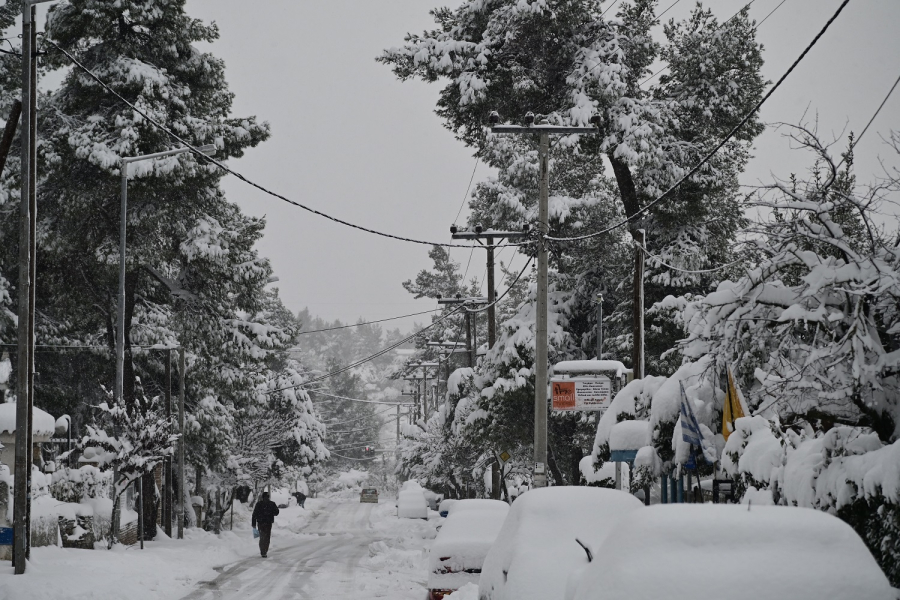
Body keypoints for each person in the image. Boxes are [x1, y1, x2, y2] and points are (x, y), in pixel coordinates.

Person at [251, 491, 280, 558]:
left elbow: (254, 514)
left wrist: (254, 524)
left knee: (262, 537)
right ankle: (265, 551)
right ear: (268, 497)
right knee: (267, 537)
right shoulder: (272, 504)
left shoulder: (259, 504)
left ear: (262, 497)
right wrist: (271, 512)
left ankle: (262, 550)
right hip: (268, 523)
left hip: (260, 523)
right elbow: (276, 512)